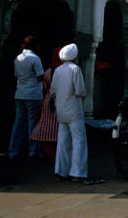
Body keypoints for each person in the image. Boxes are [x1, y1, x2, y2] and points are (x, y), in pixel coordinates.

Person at [50, 43, 95, 183]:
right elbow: (80, 91)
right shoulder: (75, 69)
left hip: (61, 110)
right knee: (79, 141)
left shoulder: (58, 70)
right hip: (74, 110)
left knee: (63, 141)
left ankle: (61, 171)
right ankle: (77, 172)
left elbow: (53, 91)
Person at [8, 35, 44, 162]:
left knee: (18, 124)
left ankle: (14, 151)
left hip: (20, 93)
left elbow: (16, 75)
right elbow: (40, 76)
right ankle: (33, 152)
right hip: (33, 94)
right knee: (33, 124)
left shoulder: (18, 58)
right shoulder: (35, 58)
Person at [30, 46, 60, 162]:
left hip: (48, 102)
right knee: (57, 130)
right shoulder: (64, 71)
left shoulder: (48, 71)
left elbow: (45, 88)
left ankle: (48, 154)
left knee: (47, 130)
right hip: (58, 102)